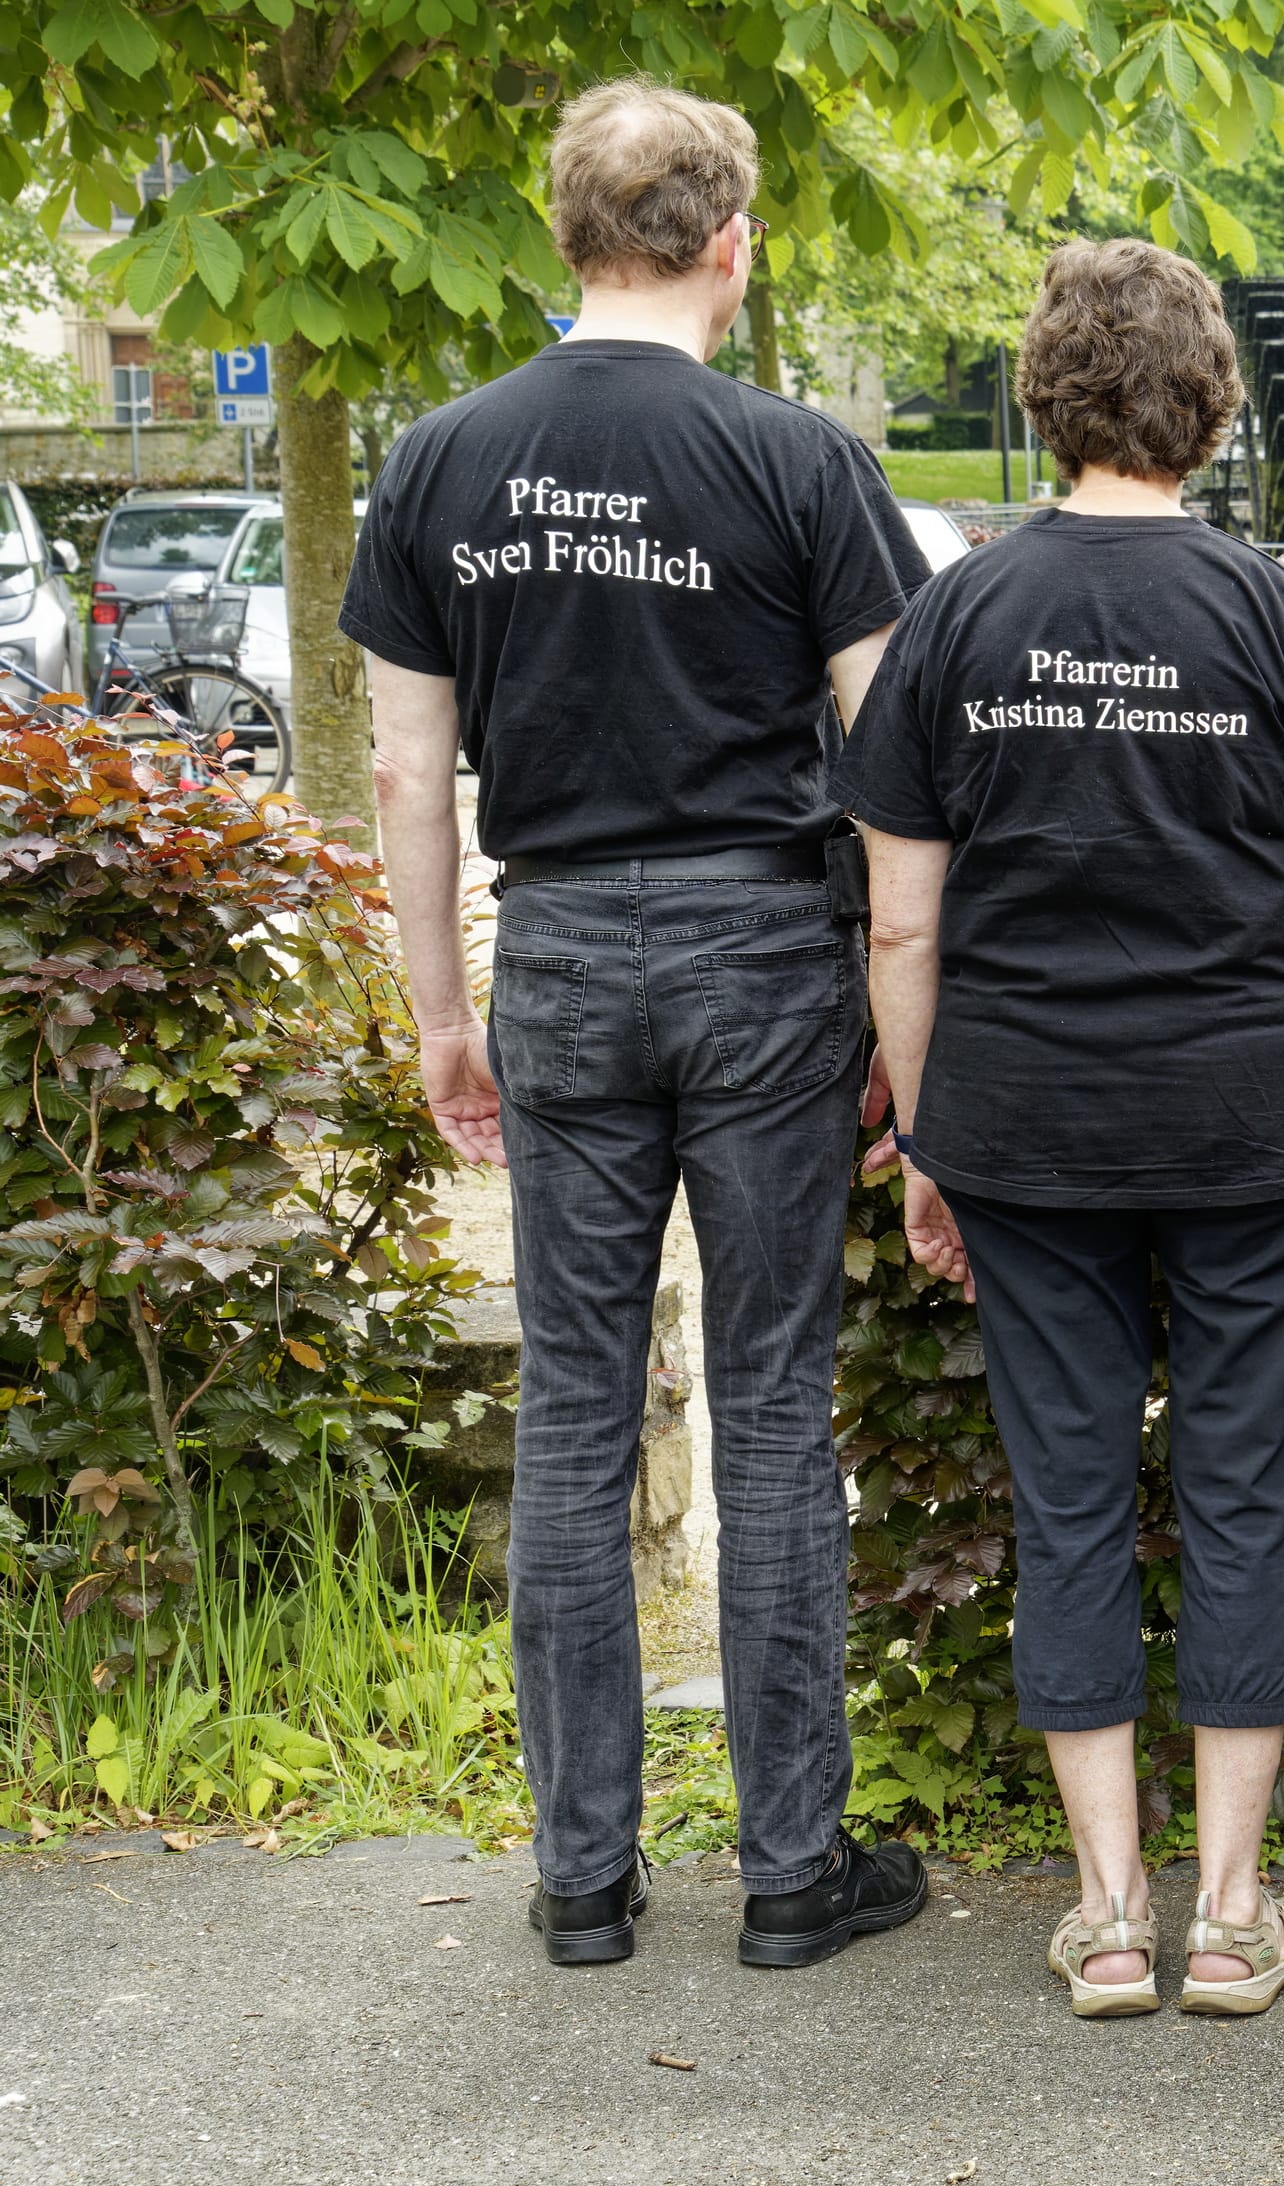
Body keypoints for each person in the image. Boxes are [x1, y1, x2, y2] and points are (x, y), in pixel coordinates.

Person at [352, 78, 932, 1971]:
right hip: (763, 946)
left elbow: (407, 769)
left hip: (562, 950)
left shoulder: (441, 459)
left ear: (562, 238)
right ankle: (792, 1870)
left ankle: (583, 1878)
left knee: (574, 1405)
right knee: (769, 1401)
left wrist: (442, 1013)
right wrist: (905, 1010)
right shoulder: (797, 459)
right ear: (731, 248)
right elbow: (897, 756)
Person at [839, 238, 1284, 2020]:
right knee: (1244, 1495)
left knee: (1069, 1501)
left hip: (1026, 1123)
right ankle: (1233, 1917)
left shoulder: (956, 616)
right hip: (1259, 1122)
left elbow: (898, 926)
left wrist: (930, 1137)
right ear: (1211, 403)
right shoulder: (1277, 617)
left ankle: (1108, 1917)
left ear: (1043, 395)